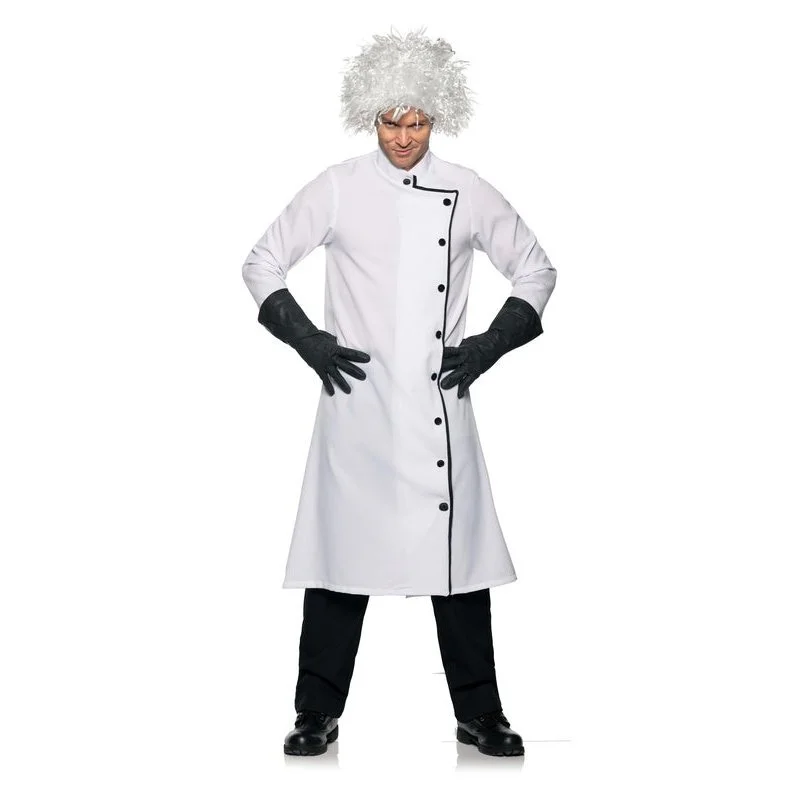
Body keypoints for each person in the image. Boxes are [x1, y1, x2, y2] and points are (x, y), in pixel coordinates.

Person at [241, 27, 557, 758]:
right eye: (391, 122)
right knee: (337, 565)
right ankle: (314, 712)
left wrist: (488, 345)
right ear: (371, 116)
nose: (404, 137)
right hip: (356, 407)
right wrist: (307, 339)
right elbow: (261, 262)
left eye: (416, 122)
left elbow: (537, 269)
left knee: (459, 573)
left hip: (440, 406)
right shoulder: (338, 186)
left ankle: (480, 713)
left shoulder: (467, 189)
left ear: (436, 116)